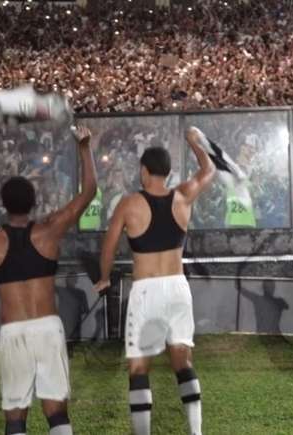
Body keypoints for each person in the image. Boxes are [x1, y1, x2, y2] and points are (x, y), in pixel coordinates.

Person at [0, 125, 96, 435]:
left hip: (14, 332)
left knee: (15, 418)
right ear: (33, 203)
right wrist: (84, 148)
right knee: (56, 414)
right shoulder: (49, 230)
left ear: (3, 203)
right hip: (48, 329)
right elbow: (89, 192)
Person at [93, 127, 215, 435]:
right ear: (168, 171)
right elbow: (209, 170)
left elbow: (108, 245)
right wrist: (194, 142)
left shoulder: (129, 203)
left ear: (144, 171)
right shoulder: (184, 195)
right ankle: (196, 432)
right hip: (177, 287)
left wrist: (104, 278)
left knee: (138, 368)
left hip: (146, 291)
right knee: (182, 361)